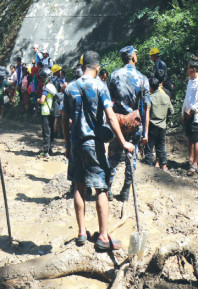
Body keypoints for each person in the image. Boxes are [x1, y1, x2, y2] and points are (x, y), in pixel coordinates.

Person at [63, 51, 134, 251]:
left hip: (76, 144)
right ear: (97, 67)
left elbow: (63, 119)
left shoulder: (70, 88)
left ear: (82, 65)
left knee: (79, 185)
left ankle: (82, 233)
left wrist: (67, 146)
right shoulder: (100, 86)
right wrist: (123, 141)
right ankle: (103, 237)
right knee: (101, 188)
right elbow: (111, 118)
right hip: (94, 145)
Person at [107, 46, 151, 202]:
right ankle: (125, 191)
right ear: (133, 57)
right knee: (131, 159)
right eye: (136, 54)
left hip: (117, 124)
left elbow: (107, 103)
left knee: (112, 157)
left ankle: (108, 189)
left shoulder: (113, 76)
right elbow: (146, 106)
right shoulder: (142, 78)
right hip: (134, 125)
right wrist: (146, 132)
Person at [144, 77, 174, 171]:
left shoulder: (151, 98)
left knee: (149, 148)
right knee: (161, 147)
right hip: (162, 126)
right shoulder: (166, 97)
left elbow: (146, 113)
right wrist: (165, 118)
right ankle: (164, 167)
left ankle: (148, 168)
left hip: (152, 126)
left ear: (150, 87)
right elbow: (172, 111)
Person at [182, 60, 198, 176]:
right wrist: (183, 111)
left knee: (196, 139)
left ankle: (195, 163)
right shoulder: (190, 81)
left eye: (188, 68)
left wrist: (192, 110)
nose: (187, 70)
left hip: (195, 115)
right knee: (190, 138)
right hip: (187, 114)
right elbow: (187, 97)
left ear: (194, 69)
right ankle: (190, 160)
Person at [37, 68, 56, 158]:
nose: (42, 79)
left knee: (46, 132)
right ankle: (51, 149)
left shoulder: (46, 88)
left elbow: (42, 100)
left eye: (44, 77)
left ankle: (46, 151)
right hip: (52, 112)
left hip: (45, 112)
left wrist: (38, 100)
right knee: (51, 131)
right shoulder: (53, 86)